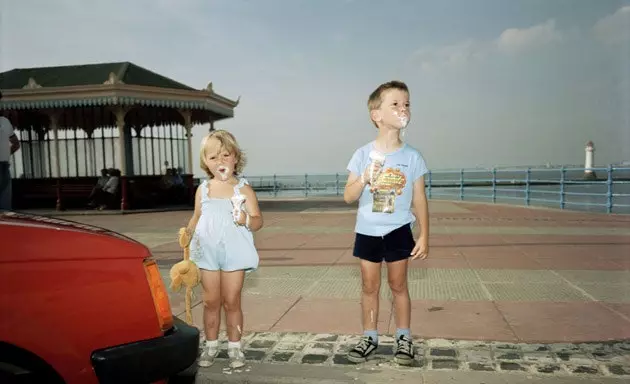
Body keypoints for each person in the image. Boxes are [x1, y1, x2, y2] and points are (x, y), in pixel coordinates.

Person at [343, 80, 430, 366]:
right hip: (367, 230)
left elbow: (419, 199)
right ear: (376, 114)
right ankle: (370, 336)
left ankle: (404, 337)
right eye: (395, 104)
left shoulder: (412, 156)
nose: (403, 108)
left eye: (407, 104)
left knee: (398, 285)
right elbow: (348, 196)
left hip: (398, 230)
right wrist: (364, 177)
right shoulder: (361, 154)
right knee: (369, 286)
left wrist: (424, 234)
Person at [185, 129, 262, 369]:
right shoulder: (203, 190)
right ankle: (210, 345)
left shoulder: (244, 190)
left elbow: (258, 220)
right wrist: (186, 237)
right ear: (205, 163)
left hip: (234, 253)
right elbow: (196, 217)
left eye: (225, 155)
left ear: (236, 158)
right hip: (207, 253)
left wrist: (246, 220)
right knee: (210, 301)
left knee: (232, 301)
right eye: (213, 158)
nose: (220, 162)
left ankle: (235, 346)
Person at [0, 90, 21, 211]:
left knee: (6, 209)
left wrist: (6, 154)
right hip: (4, 167)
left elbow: (16, 144)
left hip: (4, 168)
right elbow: (16, 144)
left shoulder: (4, 121)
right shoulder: (4, 122)